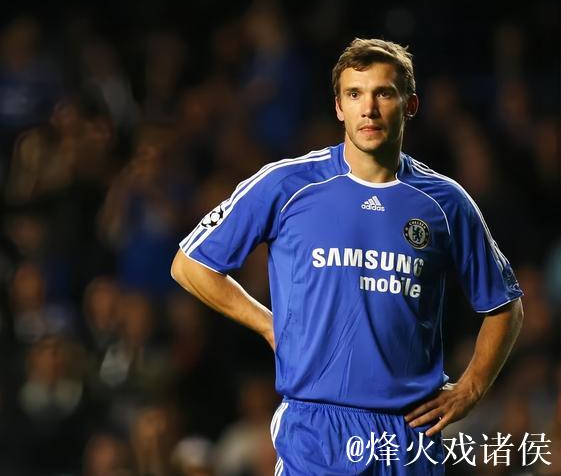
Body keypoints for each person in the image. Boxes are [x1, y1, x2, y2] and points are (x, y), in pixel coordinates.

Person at [170, 38, 524, 475]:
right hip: (317, 431)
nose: (368, 109)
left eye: (383, 93)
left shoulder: (445, 202)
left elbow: (505, 306)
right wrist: (268, 325)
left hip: (409, 434)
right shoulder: (287, 185)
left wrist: (471, 389)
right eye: (355, 94)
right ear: (339, 107)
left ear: (411, 105)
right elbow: (191, 264)